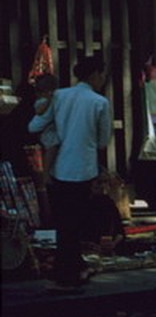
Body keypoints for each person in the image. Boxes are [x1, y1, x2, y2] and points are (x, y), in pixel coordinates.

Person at [28, 54, 112, 289]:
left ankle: (67, 268)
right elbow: (103, 140)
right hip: (84, 168)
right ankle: (71, 271)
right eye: (102, 74)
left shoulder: (59, 96)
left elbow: (35, 124)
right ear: (95, 74)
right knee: (77, 221)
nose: (102, 79)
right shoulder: (99, 103)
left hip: (59, 167)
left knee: (64, 222)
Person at [31, 73, 61, 177]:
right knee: (51, 148)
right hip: (47, 131)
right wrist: (49, 101)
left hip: (49, 129)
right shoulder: (42, 101)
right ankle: (46, 172)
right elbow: (39, 111)